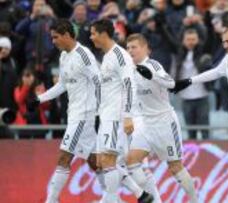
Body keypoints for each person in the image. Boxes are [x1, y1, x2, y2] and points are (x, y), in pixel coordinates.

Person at [170, 25, 228, 203]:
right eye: (223, 42)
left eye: (227, 41)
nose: (225, 45)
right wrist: (189, 81)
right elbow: (216, 72)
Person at [30, 19, 101, 203]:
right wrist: (39, 99)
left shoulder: (84, 55)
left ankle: (51, 200)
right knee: (95, 161)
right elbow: (62, 84)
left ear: (67, 35)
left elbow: (99, 82)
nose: (53, 41)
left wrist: (101, 112)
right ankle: (132, 194)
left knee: (64, 156)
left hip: (84, 115)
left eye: (55, 37)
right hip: (74, 114)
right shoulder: (63, 56)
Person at [126, 33, 198, 203]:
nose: (130, 51)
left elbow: (171, 84)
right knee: (131, 160)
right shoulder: (129, 70)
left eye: (134, 47)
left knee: (175, 167)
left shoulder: (153, 65)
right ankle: (152, 200)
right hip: (145, 124)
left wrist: (151, 75)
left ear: (145, 48)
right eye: (128, 48)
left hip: (164, 122)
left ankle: (195, 200)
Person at [89, 19, 153, 203]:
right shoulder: (107, 56)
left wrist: (127, 116)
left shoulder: (120, 55)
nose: (91, 37)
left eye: (93, 33)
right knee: (103, 162)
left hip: (117, 117)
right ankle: (141, 194)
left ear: (103, 33)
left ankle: (110, 200)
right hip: (105, 116)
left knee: (109, 161)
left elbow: (129, 85)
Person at [174, 28, 212, 140]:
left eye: (193, 39)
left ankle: (206, 154)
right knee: (191, 131)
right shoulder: (179, 54)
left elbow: (211, 38)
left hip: (202, 96)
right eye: (188, 39)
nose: (191, 42)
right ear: (183, 41)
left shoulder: (203, 52)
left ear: (198, 40)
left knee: (205, 130)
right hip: (186, 98)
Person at [14, 67, 49, 138]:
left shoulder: (39, 88)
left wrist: (40, 97)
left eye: (29, 76)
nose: (28, 78)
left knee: (40, 146)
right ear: (21, 77)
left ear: (34, 77)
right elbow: (19, 101)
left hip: (39, 121)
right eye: (25, 76)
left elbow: (47, 107)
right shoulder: (18, 89)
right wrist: (26, 86)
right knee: (24, 146)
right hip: (24, 122)